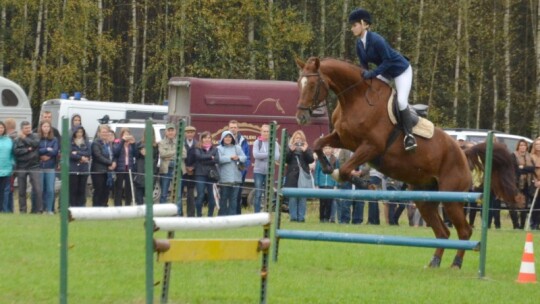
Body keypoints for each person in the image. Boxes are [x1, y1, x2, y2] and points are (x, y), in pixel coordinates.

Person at [348, 8, 416, 151]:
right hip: (386, 71)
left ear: (364, 24)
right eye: (352, 25)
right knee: (371, 91)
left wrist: (372, 74)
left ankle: (409, 136)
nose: (352, 28)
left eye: (354, 25)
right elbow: (364, 66)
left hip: (400, 70)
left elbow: (388, 61)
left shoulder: (377, 40)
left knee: (402, 101)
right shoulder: (359, 44)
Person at [284, 130, 314, 222]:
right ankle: (293, 217)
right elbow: (285, 159)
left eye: (300, 138)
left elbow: (311, 160)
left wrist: (305, 151)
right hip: (292, 177)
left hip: (303, 176)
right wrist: (290, 151)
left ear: (303, 140)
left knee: (302, 198)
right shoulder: (289, 148)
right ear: (293, 139)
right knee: (292, 198)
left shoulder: (306, 148)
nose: (298, 140)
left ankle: (301, 218)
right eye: (297, 138)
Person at [13, 121, 42, 213]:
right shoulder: (17, 139)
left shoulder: (36, 136)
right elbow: (16, 152)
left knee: (37, 189)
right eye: (26, 128)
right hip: (21, 166)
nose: (28, 129)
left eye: (29, 127)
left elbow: (35, 144)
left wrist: (25, 138)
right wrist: (27, 150)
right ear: (22, 129)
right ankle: (23, 210)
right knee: (21, 190)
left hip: (34, 166)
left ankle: (38, 210)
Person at [252, 124, 280, 213]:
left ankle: (267, 213)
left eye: (268, 131)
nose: (266, 133)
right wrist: (268, 154)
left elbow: (276, 157)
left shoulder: (274, 143)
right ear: (261, 132)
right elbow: (255, 155)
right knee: (258, 194)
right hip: (258, 172)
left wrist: (262, 156)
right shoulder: (257, 142)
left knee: (269, 193)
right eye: (264, 131)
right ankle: (256, 214)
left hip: (269, 171)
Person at [217, 130, 246, 216]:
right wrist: (230, 158)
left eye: (230, 137)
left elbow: (244, 158)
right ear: (223, 138)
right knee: (224, 199)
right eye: (226, 137)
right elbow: (219, 160)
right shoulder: (219, 148)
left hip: (236, 178)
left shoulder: (237, 148)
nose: (228, 138)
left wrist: (238, 157)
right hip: (224, 179)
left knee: (234, 200)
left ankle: (232, 217)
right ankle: (222, 217)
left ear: (232, 138)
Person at [337, 149, 368, 224]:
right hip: (347, 178)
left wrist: (361, 172)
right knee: (345, 201)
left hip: (360, 179)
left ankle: (357, 221)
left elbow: (368, 164)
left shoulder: (365, 148)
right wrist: (349, 171)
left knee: (360, 202)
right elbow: (341, 162)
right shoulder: (344, 150)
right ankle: (345, 220)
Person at [193, 131, 219, 217]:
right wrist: (210, 157)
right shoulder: (197, 148)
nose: (207, 139)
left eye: (209, 138)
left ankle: (210, 216)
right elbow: (199, 157)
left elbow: (216, 160)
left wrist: (206, 159)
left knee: (211, 196)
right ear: (202, 139)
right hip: (200, 174)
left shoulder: (215, 149)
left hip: (211, 175)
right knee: (200, 195)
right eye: (205, 138)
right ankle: (199, 215)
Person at [511, 139, 535, 229]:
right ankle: (515, 225)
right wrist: (525, 169)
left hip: (527, 184)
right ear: (518, 146)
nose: (523, 147)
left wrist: (523, 168)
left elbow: (532, 169)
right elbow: (515, 169)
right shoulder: (513, 155)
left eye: (524, 145)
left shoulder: (529, 156)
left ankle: (522, 226)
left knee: (524, 206)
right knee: (513, 205)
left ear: (526, 147)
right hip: (516, 184)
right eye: (521, 145)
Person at [228, 120, 250, 214]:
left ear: (238, 128)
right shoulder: (225, 139)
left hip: (240, 172)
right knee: (228, 195)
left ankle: (237, 215)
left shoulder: (243, 140)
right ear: (228, 128)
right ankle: (228, 215)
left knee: (237, 195)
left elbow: (247, 156)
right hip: (228, 171)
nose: (233, 129)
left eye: (235, 127)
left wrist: (244, 168)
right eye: (231, 127)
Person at [91, 124, 116, 207]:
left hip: (108, 172)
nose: (105, 134)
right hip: (98, 171)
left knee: (106, 191)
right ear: (99, 133)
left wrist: (114, 163)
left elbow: (114, 155)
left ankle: (104, 206)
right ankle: (96, 208)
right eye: (103, 132)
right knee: (99, 190)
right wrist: (110, 163)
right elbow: (98, 156)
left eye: (106, 132)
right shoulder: (96, 143)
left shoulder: (110, 144)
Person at [38, 120, 59, 214]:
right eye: (44, 126)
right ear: (41, 128)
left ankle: (50, 209)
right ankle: (42, 208)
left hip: (50, 167)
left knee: (50, 189)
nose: (46, 128)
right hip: (40, 167)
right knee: (41, 189)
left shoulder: (54, 139)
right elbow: (36, 150)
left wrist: (48, 156)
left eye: (48, 126)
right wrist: (46, 149)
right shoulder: (37, 138)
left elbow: (55, 151)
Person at [112, 128, 136, 206]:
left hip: (129, 168)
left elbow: (136, 154)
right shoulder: (117, 142)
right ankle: (118, 205)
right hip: (120, 168)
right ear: (122, 135)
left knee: (128, 188)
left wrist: (133, 143)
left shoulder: (131, 144)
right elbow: (116, 152)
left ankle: (127, 205)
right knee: (118, 188)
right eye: (124, 134)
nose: (126, 136)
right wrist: (122, 141)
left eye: (127, 134)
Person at [314, 145, 338, 222]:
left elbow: (336, 173)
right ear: (323, 150)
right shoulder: (319, 160)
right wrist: (316, 184)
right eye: (326, 148)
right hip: (322, 184)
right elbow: (316, 172)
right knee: (322, 202)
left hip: (330, 184)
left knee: (329, 202)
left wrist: (335, 185)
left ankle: (327, 218)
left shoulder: (335, 160)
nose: (327, 150)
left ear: (332, 149)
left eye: (329, 148)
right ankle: (321, 218)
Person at [134, 132, 158, 205]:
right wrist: (140, 152)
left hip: (150, 174)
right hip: (140, 173)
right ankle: (139, 214)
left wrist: (148, 155)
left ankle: (149, 214)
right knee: (139, 197)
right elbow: (135, 156)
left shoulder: (155, 146)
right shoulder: (139, 144)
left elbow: (156, 160)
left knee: (149, 198)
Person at [69, 126, 91, 207]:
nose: (79, 134)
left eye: (81, 132)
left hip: (83, 169)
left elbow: (88, 153)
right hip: (73, 169)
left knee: (82, 189)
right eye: (78, 132)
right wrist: (81, 157)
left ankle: (81, 207)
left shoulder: (86, 142)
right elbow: (70, 154)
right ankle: (73, 207)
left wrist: (77, 153)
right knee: (73, 189)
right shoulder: (70, 142)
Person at [158, 124, 178, 205]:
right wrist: (176, 152)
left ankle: (176, 213)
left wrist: (168, 156)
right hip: (165, 170)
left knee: (177, 194)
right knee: (164, 194)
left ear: (175, 132)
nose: (170, 132)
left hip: (176, 170)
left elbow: (184, 154)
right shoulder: (161, 142)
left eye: (172, 130)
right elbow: (162, 154)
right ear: (166, 132)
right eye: (169, 131)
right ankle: (162, 213)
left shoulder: (180, 141)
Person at [182, 125, 198, 216]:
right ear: (185, 133)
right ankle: (178, 213)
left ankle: (191, 214)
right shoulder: (181, 143)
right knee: (179, 193)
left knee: (190, 194)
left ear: (194, 133)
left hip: (193, 172)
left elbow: (199, 158)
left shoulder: (197, 144)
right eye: (188, 132)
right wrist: (186, 168)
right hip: (183, 171)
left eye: (191, 132)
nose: (190, 134)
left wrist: (193, 167)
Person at [3, 118, 17, 213]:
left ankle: (8, 209)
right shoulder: (16, 136)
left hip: (10, 168)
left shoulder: (11, 138)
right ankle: (9, 208)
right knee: (9, 189)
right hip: (11, 166)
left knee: (8, 189)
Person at [0, 121, 14, 213]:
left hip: (7, 170)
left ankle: (4, 210)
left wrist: (12, 164)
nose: (0, 129)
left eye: (2, 127)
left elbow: (12, 154)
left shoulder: (9, 140)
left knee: (5, 192)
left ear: (4, 129)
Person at [529, 137, 540, 229]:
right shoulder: (531, 157)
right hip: (535, 184)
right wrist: (535, 181)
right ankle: (534, 224)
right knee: (535, 204)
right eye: (537, 144)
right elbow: (530, 171)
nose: (538, 146)